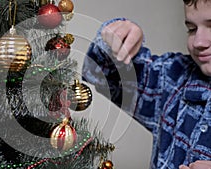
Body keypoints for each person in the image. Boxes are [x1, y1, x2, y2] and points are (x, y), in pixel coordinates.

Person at [82, 0, 211, 169]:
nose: (198, 42)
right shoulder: (174, 79)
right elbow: (99, 73)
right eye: (192, 29)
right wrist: (116, 38)